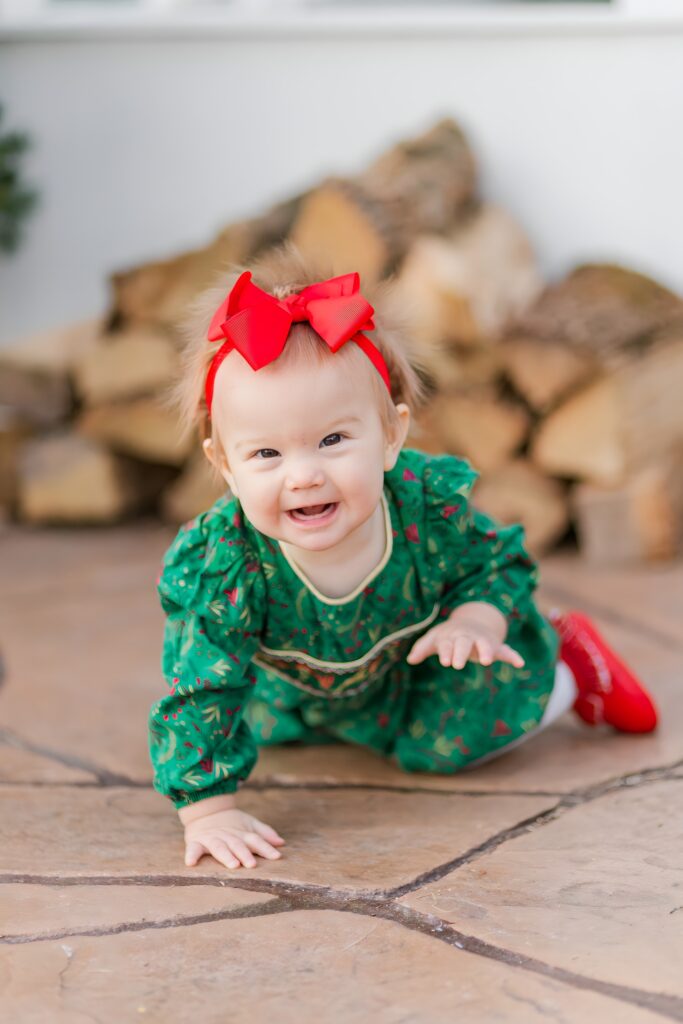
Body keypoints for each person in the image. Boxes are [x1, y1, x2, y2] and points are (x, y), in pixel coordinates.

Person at [148, 245, 658, 872]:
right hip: (303, 690)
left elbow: (492, 567)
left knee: (447, 744)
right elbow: (199, 683)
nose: (304, 475)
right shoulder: (224, 563)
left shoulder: (422, 508)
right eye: (265, 455)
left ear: (391, 434)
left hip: (413, 667)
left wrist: (475, 621)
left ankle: (571, 666)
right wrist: (209, 809)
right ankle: (327, 716)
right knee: (256, 720)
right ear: (223, 464)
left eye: (333, 440)